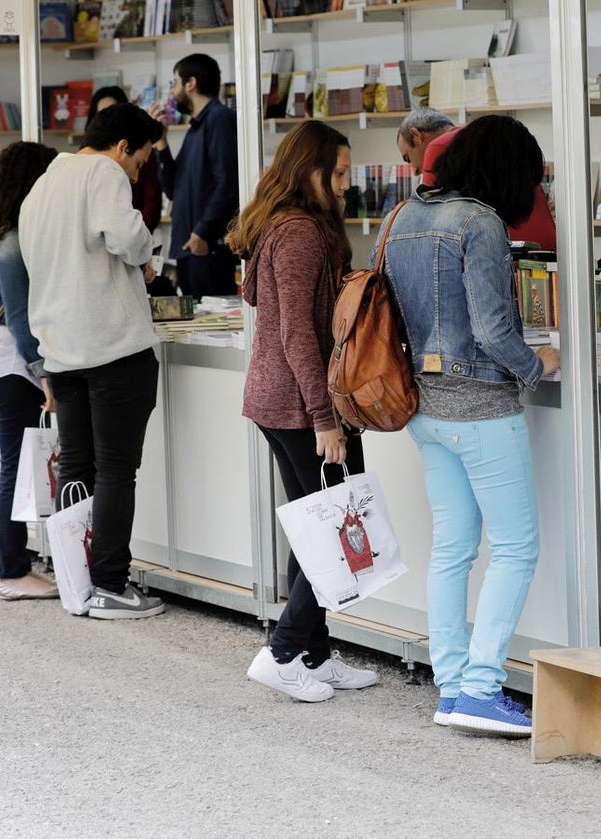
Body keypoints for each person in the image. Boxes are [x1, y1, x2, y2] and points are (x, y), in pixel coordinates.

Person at [381, 115, 561, 737]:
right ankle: (482, 690)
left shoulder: (403, 216)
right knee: (515, 548)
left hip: (424, 405)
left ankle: (452, 684)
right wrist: (536, 364)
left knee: (452, 548)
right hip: (481, 406)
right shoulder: (480, 222)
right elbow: (490, 328)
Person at [227, 121, 378, 703]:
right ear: (308, 171)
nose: (345, 184)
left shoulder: (285, 225)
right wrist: (324, 418)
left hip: (285, 401)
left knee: (318, 529)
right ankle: (283, 652)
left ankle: (314, 654)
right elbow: (295, 333)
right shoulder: (298, 233)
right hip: (298, 407)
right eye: (337, 173)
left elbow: (262, 302)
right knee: (333, 532)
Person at [19, 102, 166, 620]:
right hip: (112, 348)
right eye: (140, 160)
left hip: (61, 352)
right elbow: (126, 236)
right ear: (122, 146)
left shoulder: (43, 184)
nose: (138, 173)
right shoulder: (103, 172)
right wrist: (147, 254)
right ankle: (109, 584)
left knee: (77, 468)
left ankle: (76, 580)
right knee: (116, 471)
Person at [0, 141, 59, 601]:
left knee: (18, 466)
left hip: (1, 365)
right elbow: (21, 320)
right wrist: (45, 376)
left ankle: (16, 566)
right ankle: (11, 572)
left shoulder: (1, 235)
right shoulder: (11, 243)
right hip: (12, 367)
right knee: (16, 468)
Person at [397, 108, 558, 250]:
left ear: (416, 136)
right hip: (546, 245)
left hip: (495, 248)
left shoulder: (438, 147)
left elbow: (429, 226)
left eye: (408, 158)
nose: (415, 171)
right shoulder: (498, 133)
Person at [148, 53, 239, 298]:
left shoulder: (220, 120)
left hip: (207, 247)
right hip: (189, 246)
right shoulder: (196, 127)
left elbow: (227, 184)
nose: (172, 91)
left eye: (175, 83)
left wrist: (202, 231)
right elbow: (172, 189)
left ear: (191, 83)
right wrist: (161, 142)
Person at [88, 86, 173, 297]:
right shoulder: (107, 172)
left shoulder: (60, 171)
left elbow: (151, 205)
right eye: (138, 165)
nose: (135, 177)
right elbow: (127, 238)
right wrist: (140, 249)